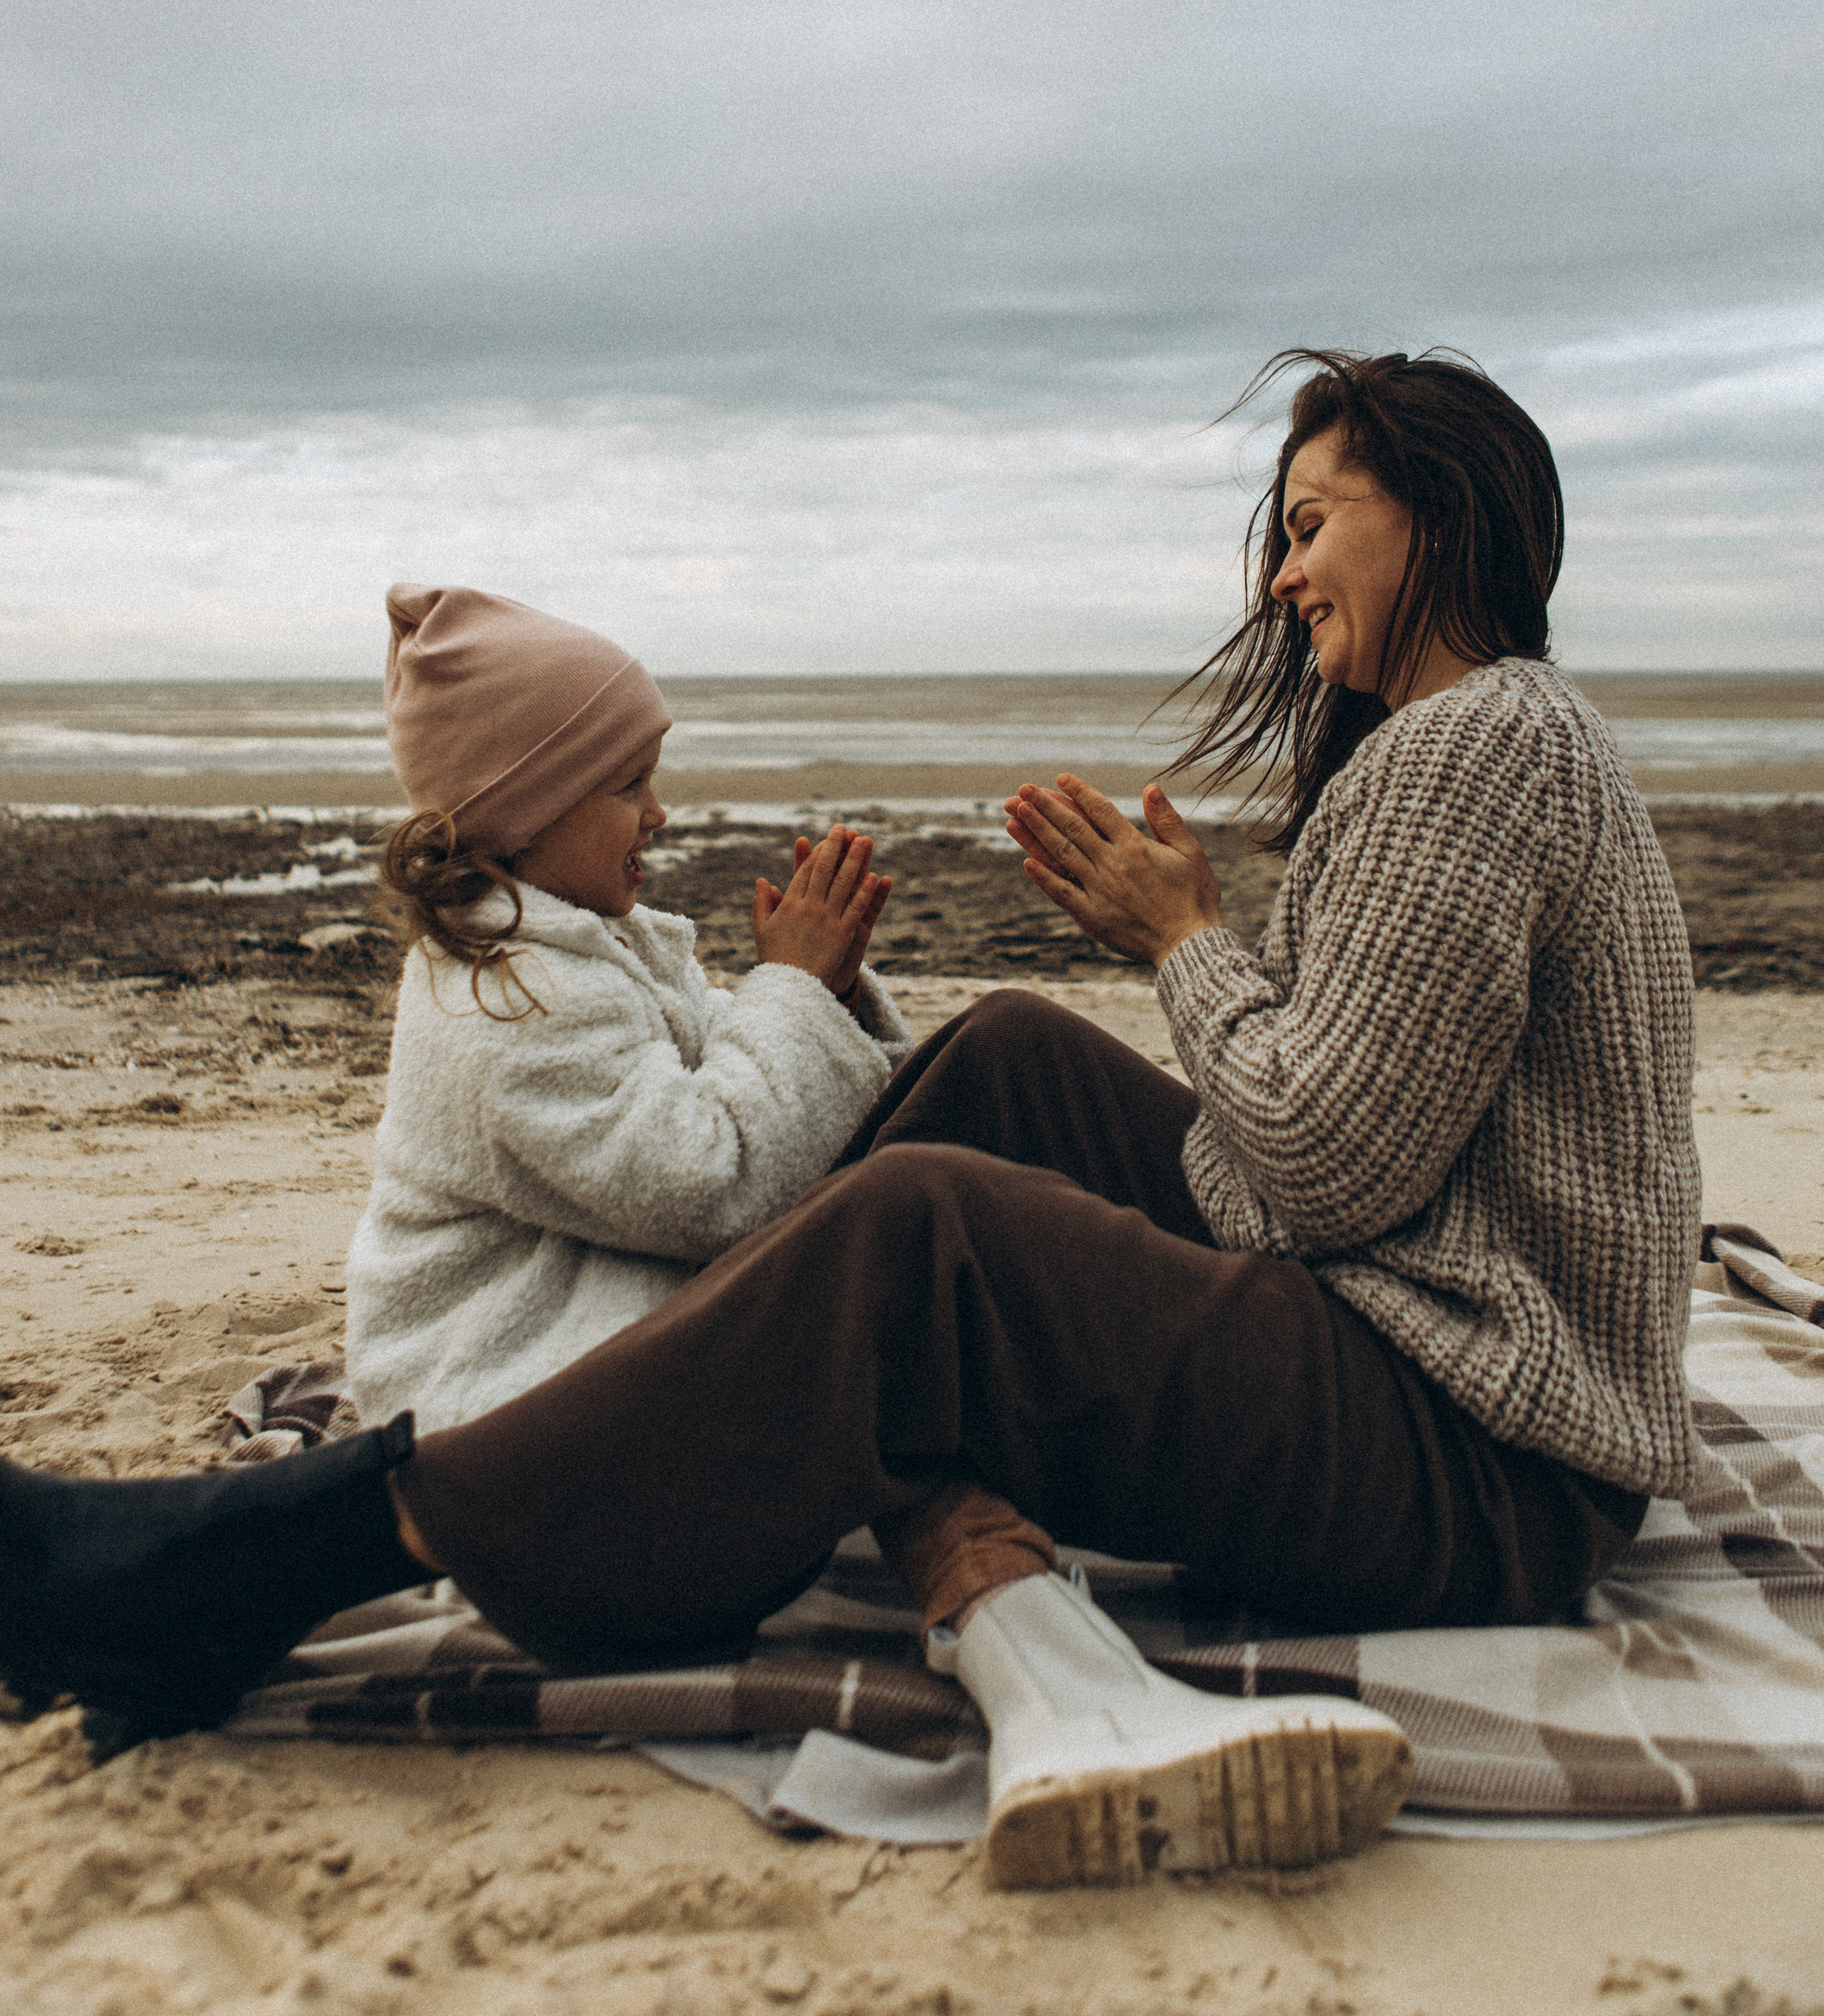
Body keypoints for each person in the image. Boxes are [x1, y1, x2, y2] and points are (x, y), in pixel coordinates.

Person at [0, 351, 1699, 1895]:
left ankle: (264, 1564)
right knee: (1007, 1056)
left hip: (1479, 1467)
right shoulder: (1483, 741)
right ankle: (750, 1383)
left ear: (1437, 515)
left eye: (1310, 525)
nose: (1279, 574)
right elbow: (1353, 1137)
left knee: (927, 1228)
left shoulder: (1471, 747)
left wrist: (1183, 941)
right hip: (1429, 1370)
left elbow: (1325, 1171)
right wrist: (1174, 955)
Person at [345, 586, 908, 1435]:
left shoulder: (594, 947)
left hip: (601, 1345)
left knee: (994, 1047)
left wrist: (825, 994)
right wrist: (791, 988)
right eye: (628, 785)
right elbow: (712, 1185)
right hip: (503, 1400)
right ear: (525, 813)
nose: (658, 813)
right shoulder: (509, 1003)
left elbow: (726, 1061)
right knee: (920, 1207)